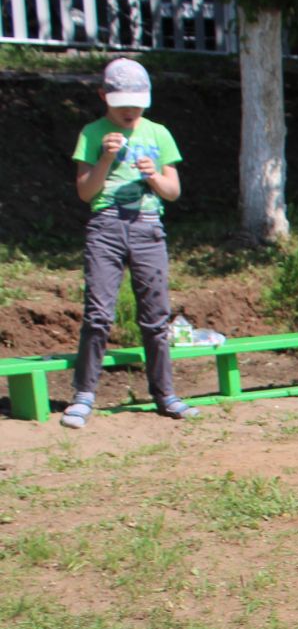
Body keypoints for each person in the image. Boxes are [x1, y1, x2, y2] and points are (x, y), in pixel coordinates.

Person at [64, 58, 194, 430]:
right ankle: (84, 394)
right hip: (105, 227)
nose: (129, 110)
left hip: (148, 228)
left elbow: (172, 192)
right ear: (103, 96)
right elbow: (85, 191)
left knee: (155, 318)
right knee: (98, 314)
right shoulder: (91, 133)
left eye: (136, 103)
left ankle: (165, 393)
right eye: (120, 102)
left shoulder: (159, 133)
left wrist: (153, 176)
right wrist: (105, 157)